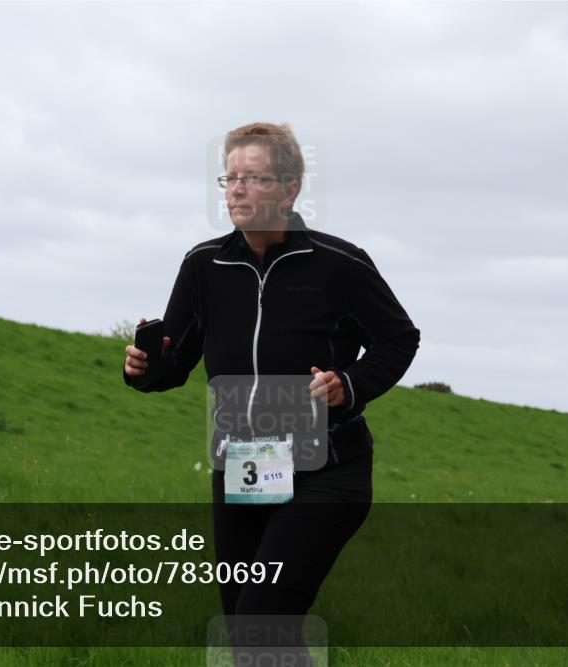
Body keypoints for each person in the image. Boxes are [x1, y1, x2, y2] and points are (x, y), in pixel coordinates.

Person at [123, 122, 419, 658]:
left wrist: (349, 384)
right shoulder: (204, 265)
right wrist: (144, 367)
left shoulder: (340, 264)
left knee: (266, 615)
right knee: (248, 631)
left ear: (289, 188)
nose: (236, 189)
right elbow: (176, 362)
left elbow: (400, 339)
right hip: (246, 463)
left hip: (327, 467)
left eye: (253, 178)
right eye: (230, 178)